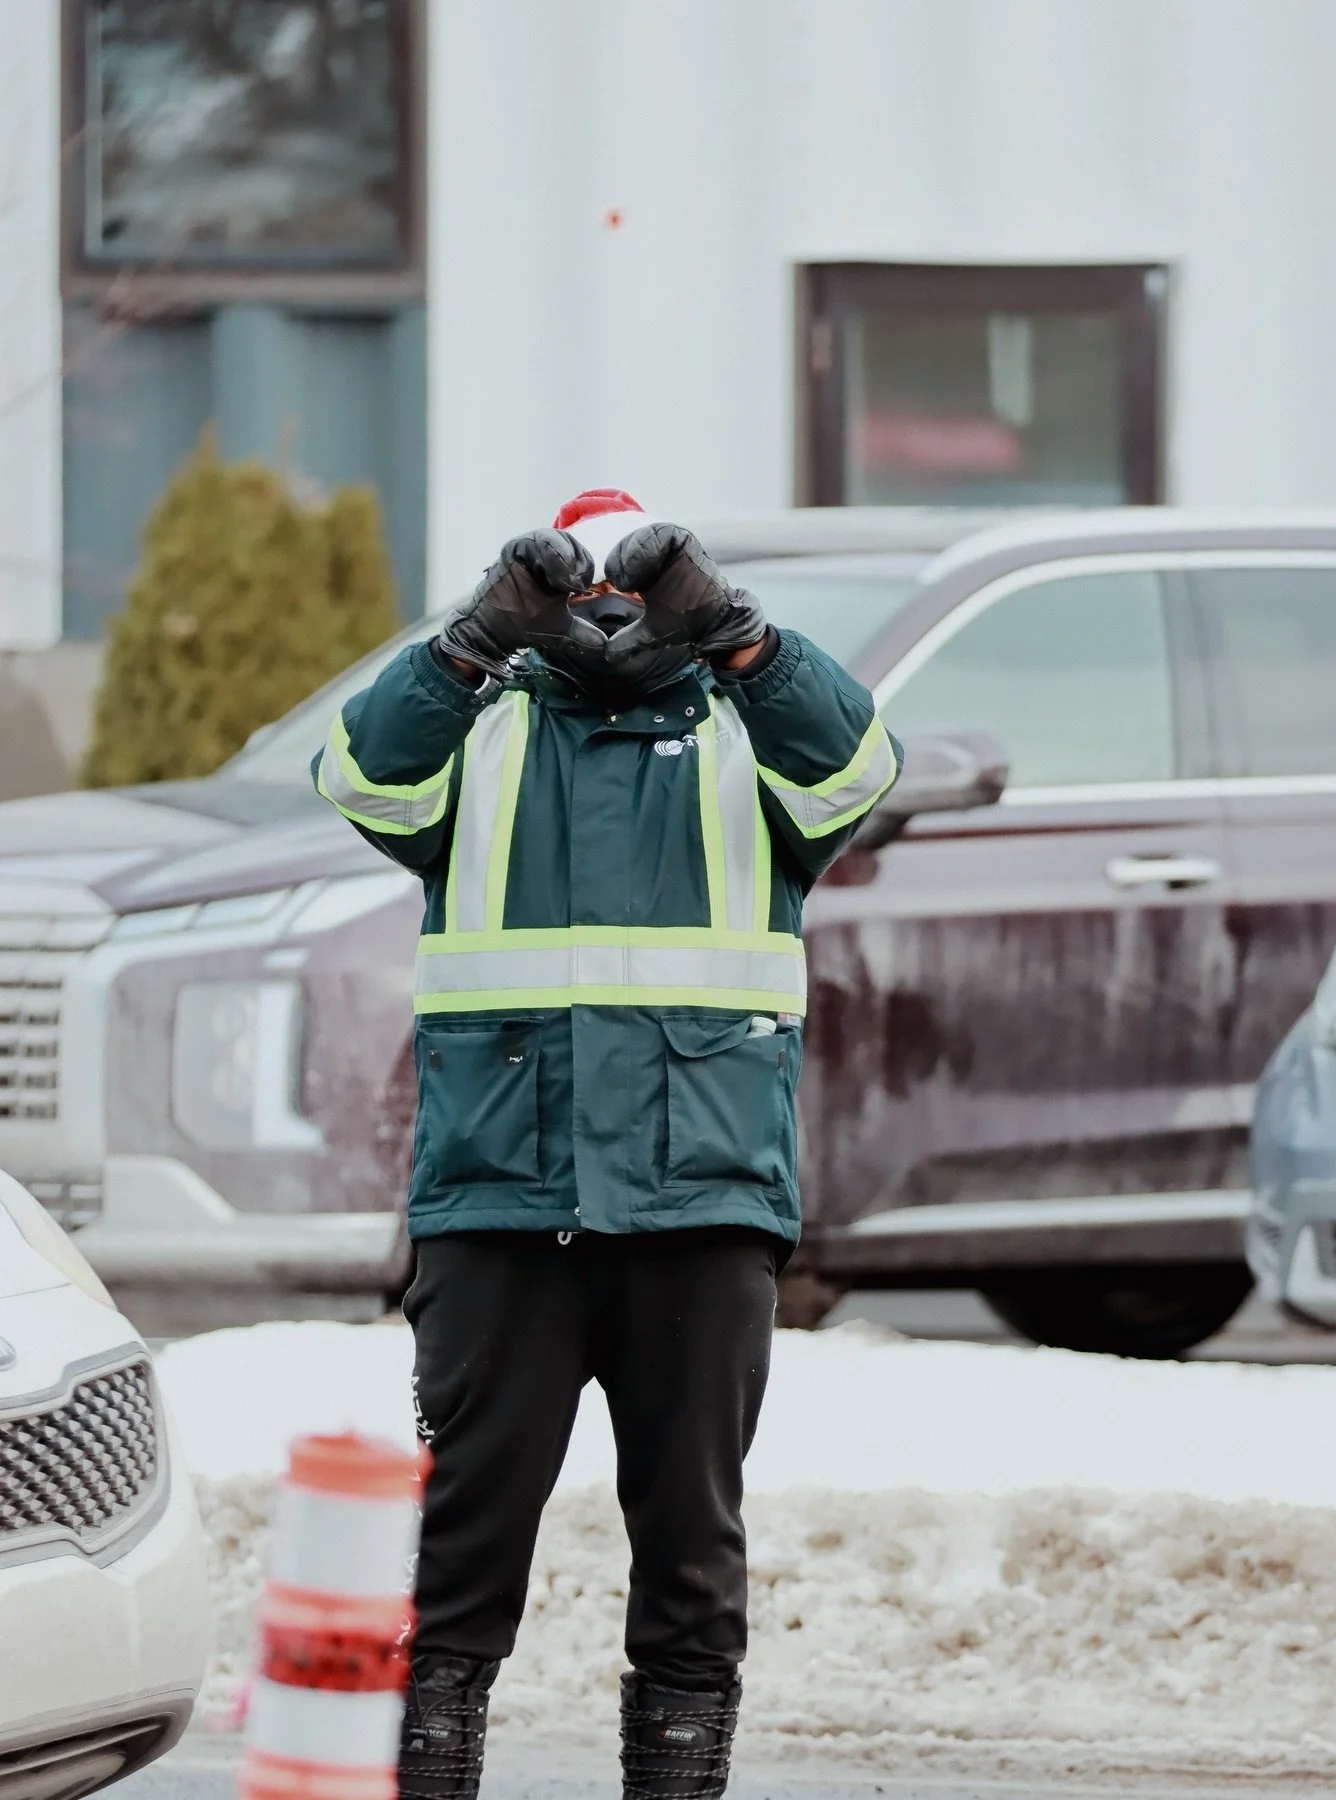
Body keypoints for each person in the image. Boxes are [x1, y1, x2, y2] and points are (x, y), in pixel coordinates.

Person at [313, 490, 902, 1799]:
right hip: (499, 1206)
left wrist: (749, 644)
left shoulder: (750, 733)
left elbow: (863, 768)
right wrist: (463, 648)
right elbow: (358, 774)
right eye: (576, 597)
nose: (606, 621)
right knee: (459, 1561)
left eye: (639, 596)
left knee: (692, 1560)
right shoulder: (482, 730)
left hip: (698, 1208)